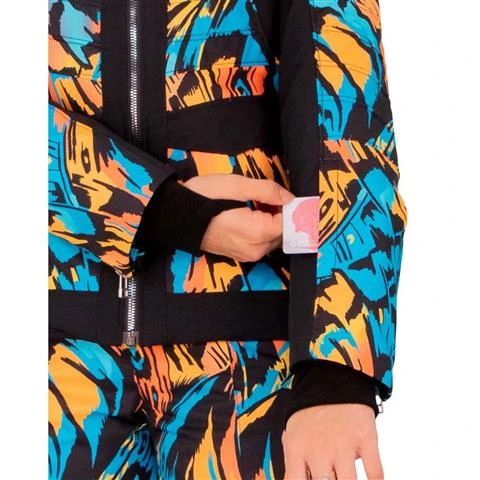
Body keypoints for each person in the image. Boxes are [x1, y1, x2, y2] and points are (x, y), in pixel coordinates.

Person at [48, 0, 407, 478]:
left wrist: (335, 369)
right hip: (57, 363)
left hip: (252, 368)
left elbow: (342, 121)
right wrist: (164, 210)